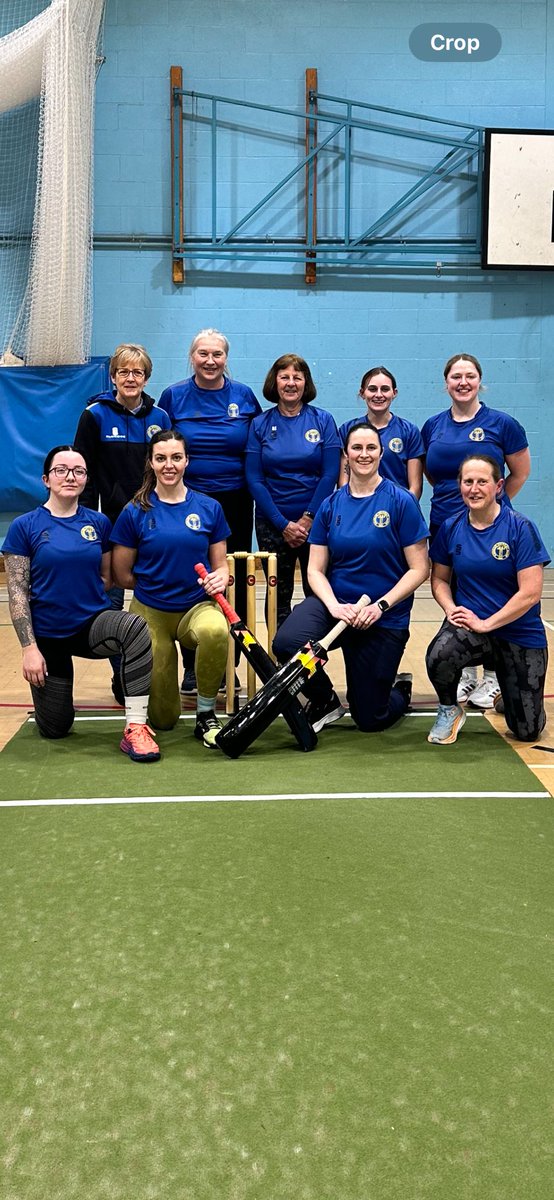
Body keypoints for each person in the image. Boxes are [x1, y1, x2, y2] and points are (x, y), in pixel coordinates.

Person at [3, 446, 160, 763]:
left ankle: (136, 726)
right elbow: (18, 591)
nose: (70, 476)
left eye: (78, 471)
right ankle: (53, 697)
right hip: (48, 637)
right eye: (61, 470)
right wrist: (29, 648)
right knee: (56, 728)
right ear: (46, 479)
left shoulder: (99, 523)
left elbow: (107, 577)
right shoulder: (25, 526)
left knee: (134, 627)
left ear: (86, 479)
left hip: (90, 627)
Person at [273, 421, 429, 732]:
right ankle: (325, 700)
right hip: (338, 608)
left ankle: (400, 691)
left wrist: (379, 607)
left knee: (371, 718)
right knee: (287, 642)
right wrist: (333, 606)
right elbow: (315, 569)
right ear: (346, 454)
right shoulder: (331, 505)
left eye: (371, 447)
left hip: (382, 616)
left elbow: (420, 569)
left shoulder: (401, 501)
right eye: (356, 448)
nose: (364, 454)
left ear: (381, 452)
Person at [421, 353, 531, 711]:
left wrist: (490, 508)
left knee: (494, 593)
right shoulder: (433, 426)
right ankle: (467, 671)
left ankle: (496, 677)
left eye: (469, 376)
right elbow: (433, 475)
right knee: (454, 593)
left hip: (492, 529)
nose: (462, 382)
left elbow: (520, 473)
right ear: (446, 383)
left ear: (479, 381)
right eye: (456, 377)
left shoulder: (503, 423)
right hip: (446, 526)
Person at [110, 430, 230, 748]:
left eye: (176, 457)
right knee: (164, 720)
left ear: (186, 461)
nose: (169, 465)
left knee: (217, 630)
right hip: (151, 610)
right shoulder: (135, 511)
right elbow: (122, 575)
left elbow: (221, 565)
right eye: (161, 458)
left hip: (196, 607)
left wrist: (221, 577)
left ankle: (206, 715)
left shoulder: (209, 508)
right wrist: (159, 585)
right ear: (151, 462)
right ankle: (160, 713)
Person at [157, 329, 261, 692]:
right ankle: (194, 666)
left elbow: (258, 446)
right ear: (192, 357)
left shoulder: (244, 396)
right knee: (193, 581)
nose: (210, 360)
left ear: (226, 358)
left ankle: (226, 664)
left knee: (233, 580)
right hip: (186, 501)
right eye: (203, 353)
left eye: (217, 354)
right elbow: (162, 447)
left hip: (234, 500)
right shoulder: (174, 396)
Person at [426, 454, 548, 746]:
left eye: (483, 481)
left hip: (518, 633)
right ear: (460, 485)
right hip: (472, 627)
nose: (474, 488)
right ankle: (449, 710)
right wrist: (450, 608)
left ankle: (510, 694)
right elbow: (439, 579)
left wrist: (487, 623)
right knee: (439, 655)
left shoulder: (520, 528)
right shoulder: (451, 526)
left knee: (527, 731)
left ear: (499, 486)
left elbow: (530, 593)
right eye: (468, 482)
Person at [74, 343, 171, 705]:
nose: (131, 379)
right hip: (112, 527)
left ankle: (164, 676)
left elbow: (169, 469)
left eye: (138, 373)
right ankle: (124, 679)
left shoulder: (160, 416)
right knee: (112, 608)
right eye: (123, 372)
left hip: (153, 526)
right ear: (113, 376)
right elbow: (82, 473)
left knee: (157, 601)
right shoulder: (95, 415)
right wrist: (87, 523)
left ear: (147, 378)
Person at [246, 353, 341, 629]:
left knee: (317, 592)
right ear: (274, 382)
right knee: (278, 595)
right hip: (271, 525)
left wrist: (309, 517)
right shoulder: (259, 424)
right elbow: (254, 479)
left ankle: (312, 658)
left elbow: (330, 474)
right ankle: (279, 659)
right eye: (284, 377)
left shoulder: (323, 420)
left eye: (297, 377)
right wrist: (282, 524)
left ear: (305, 383)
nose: (290, 383)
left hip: (317, 524)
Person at [338, 365, 424, 497]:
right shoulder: (348, 430)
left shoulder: (409, 431)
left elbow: (415, 487)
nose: (379, 395)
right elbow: (343, 483)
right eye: (372, 389)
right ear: (362, 393)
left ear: (394, 393)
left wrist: (403, 511)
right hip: (357, 509)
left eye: (385, 389)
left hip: (396, 510)